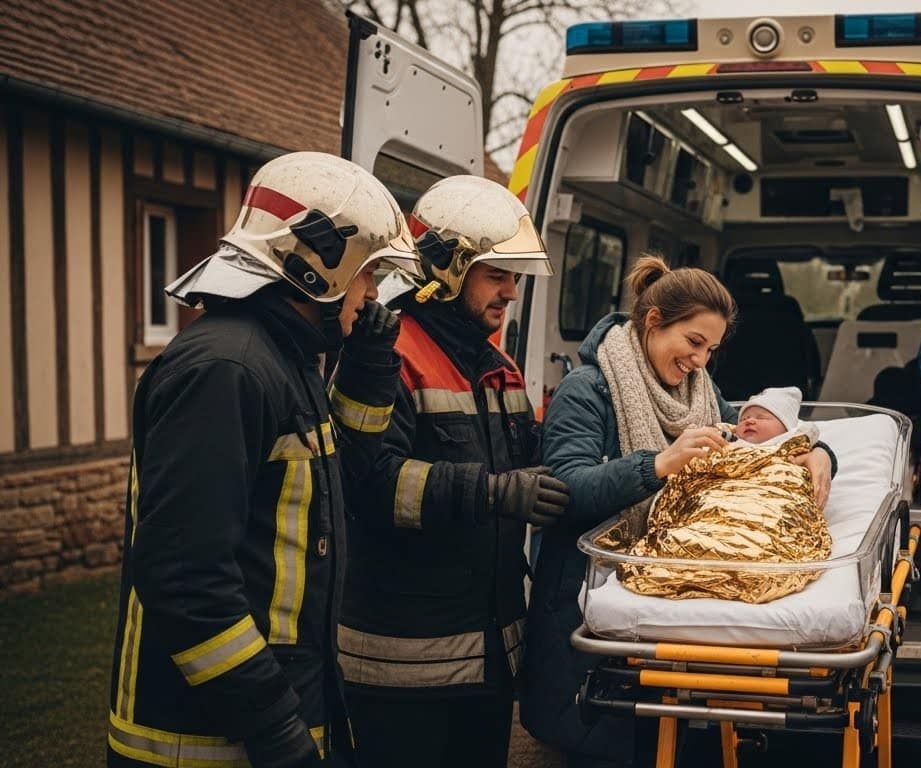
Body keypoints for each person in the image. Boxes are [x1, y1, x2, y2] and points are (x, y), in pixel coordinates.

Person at [107, 151, 418, 768]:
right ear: (317, 264)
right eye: (367, 273)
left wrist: (370, 363)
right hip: (204, 739)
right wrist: (277, 728)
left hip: (266, 708)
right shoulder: (227, 370)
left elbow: (345, 474)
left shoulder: (284, 357)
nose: (372, 293)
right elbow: (185, 582)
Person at [521, 254, 838, 766]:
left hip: (664, 598)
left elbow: (757, 434)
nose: (700, 361)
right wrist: (658, 465)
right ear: (653, 323)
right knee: (602, 749)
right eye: (693, 343)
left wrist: (819, 452)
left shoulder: (698, 392)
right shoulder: (591, 389)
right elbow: (567, 488)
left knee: (662, 745)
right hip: (584, 600)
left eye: (711, 350)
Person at [336, 174, 569, 768]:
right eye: (497, 275)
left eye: (514, 278)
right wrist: (493, 493)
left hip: (487, 657)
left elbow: (534, 458)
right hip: (405, 661)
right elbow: (370, 488)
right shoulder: (384, 355)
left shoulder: (500, 366)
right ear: (444, 269)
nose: (511, 293)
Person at [732, 386, 819, 446]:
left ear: (786, 428)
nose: (749, 421)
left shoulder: (791, 446)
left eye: (760, 417)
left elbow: (811, 433)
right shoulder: (731, 443)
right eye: (743, 419)